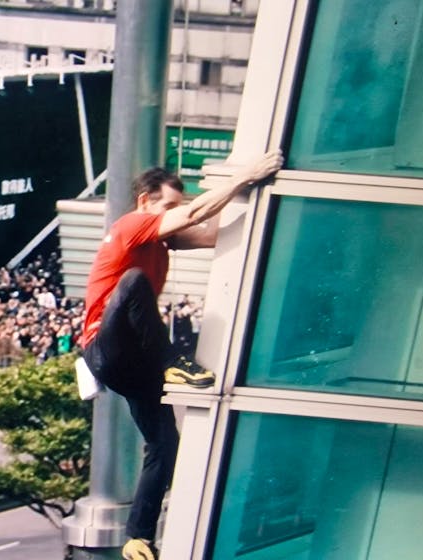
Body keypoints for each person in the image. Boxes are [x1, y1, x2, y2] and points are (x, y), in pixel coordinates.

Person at [80, 150, 282, 560]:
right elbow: (194, 217)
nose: (177, 213)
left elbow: (211, 233)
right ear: (145, 202)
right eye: (169, 205)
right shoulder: (132, 225)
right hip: (106, 345)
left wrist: (250, 192)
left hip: (135, 361)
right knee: (134, 281)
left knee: (163, 444)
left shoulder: (160, 241)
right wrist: (246, 173)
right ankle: (175, 367)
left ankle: (137, 536)